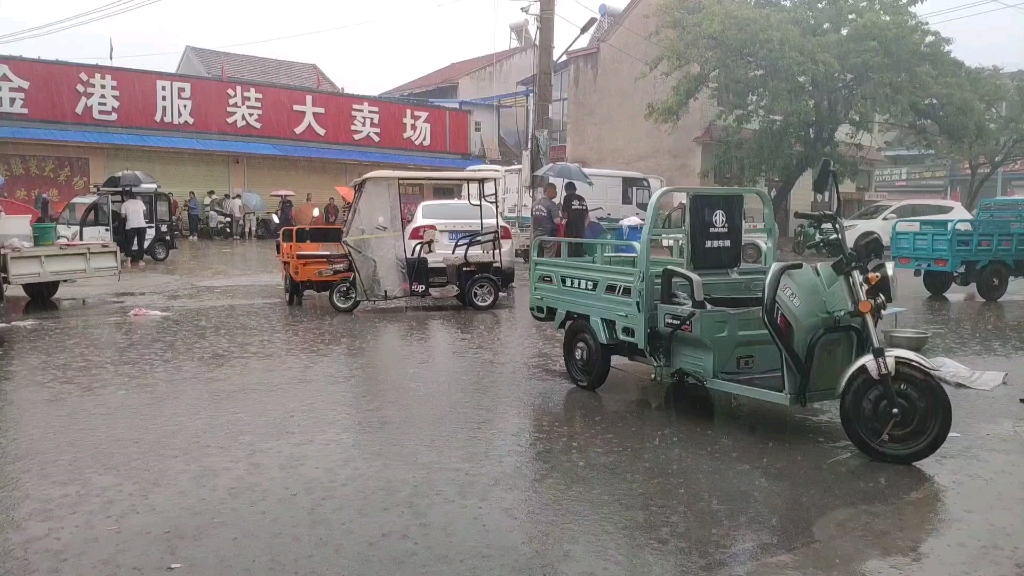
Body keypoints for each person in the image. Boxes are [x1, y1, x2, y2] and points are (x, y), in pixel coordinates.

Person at [531, 183, 561, 258]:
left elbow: (532, 218)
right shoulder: (552, 204)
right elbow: (557, 221)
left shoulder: (534, 204)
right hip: (548, 236)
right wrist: (559, 210)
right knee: (548, 260)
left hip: (536, 237)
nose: (556, 193)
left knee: (538, 258)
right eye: (555, 190)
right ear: (548, 191)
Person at [561, 181, 589, 257]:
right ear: (575, 189)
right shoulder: (582, 198)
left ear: (565, 190)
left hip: (571, 228)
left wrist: (560, 209)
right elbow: (587, 216)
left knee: (570, 249)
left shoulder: (566, 198)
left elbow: (565, 215)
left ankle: (570, 264)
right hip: (581, 229)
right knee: (579, 248)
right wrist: (583, 226)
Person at [121, 192, 148, 267]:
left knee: (129, 244)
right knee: (141, 244)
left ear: (126, 197)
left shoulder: (125, 204)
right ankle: (141, 261)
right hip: (142, 225)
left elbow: (123, 216)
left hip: (130, 226)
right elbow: (145, 212)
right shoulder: (140, 202)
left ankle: (128, 262)